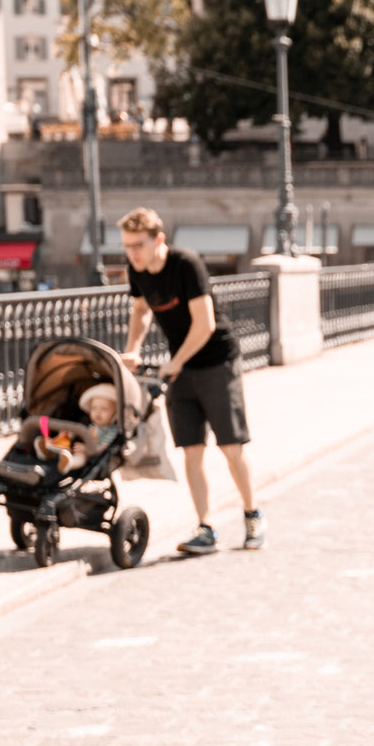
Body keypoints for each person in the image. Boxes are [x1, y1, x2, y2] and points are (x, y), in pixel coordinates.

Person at [118, 208, 264, 555]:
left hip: (216, 361)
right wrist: (132, 350)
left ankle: (252, 515)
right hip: (180, 368)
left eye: (139, 245)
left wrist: (175, 362)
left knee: (231, 447)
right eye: (127, 247)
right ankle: (206, 528)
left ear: (159, 240)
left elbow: (205, 324)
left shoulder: (186, 264)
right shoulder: (137, 270)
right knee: (191, 451)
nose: (133, 253)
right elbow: (140, 311)